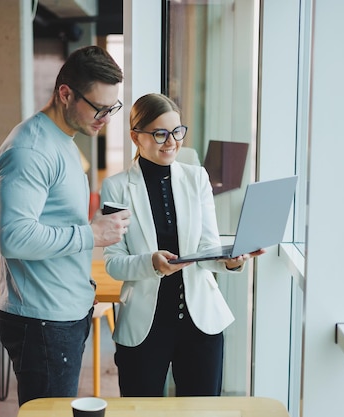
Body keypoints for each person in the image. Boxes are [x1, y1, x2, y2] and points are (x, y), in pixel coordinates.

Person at [0, 45, 131, 406]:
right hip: (43, 321)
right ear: (65, 93)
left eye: (112, 108)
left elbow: (53, 222)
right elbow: (14, 237)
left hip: (60, 312)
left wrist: (80, 284)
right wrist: (92, 234)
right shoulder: (30, 151)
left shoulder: (63, 139)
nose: (106, 118)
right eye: (99, 108)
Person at [100, 93, 265, 397]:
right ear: (136, 136)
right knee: (140, 412)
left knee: (202, 412)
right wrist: (150, 262)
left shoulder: (196, 178)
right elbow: (112, 262)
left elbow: (207, 247)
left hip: (200, 323)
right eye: (160, 133)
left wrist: (231, 259)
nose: (172, 142)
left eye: (177, 132)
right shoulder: (116, 187)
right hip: (144, 326)